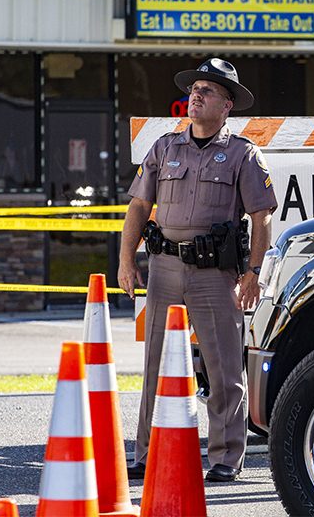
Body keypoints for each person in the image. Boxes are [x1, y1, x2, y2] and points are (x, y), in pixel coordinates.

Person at [118, 58, 277, 483]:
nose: (196, 96)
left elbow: (261, 217)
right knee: (156, 363)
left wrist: (253, 273)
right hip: (165, 267)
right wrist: (125, 259)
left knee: (224, 366)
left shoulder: (243, 154)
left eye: (207, 91)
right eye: (194, 90)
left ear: (227, 105)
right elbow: (138, 206)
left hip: (214, 273)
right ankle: (148, 452)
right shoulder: (165, 148)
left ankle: (226, 456)